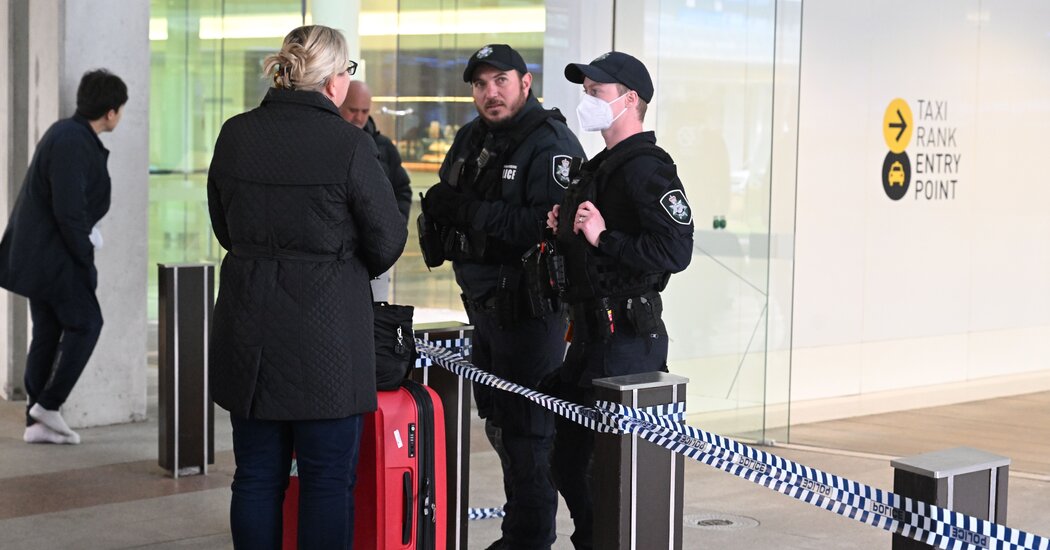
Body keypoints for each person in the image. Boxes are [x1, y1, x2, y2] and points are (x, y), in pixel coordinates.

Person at [207, 25, 406, 549]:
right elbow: (387, 240)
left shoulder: (236, 134)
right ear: (333, 80)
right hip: (328, 338)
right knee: (326, 482)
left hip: (249, 330)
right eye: (347, 71)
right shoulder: (349, 143)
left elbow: (224, 228)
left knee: (254, 477)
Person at [421, 44, 585, 550]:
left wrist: (469, 212)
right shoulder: (473, 137)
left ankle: (530, 540)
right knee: (498, 422)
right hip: (484, 305)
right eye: (480, 84)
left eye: (501, 81)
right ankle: (520, 532)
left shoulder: (551, 142)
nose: (490, 93)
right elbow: (444, 202)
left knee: (529, 430)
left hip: (530, 311)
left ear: (525, 82)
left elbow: (546, 224)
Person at [546, 51, 694, 549]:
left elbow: (675, 249)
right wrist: (566, 229)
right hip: (590, 336)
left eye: (597, 92)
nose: (587, 100)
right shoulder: (603, 165)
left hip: (627, 340)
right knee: (570, 458)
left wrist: (603, 237)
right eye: (585, 91)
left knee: (604, 470)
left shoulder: (646, 167)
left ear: (630, 100)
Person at [0, 69, 127, 446]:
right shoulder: (72, 140)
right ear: (110, 112)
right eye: (120, 109)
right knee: (87, 324)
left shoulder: (68, 134)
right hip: (55, 259)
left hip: (41, 258)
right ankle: (48, 405)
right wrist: (86, 255)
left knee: (48, 332)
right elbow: (69, 210)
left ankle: (36, 423)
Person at [340, 79, 412, 302]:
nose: (359, 117)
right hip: (339, 255)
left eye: (364, 111)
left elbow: (402, 191)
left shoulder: (383, 147)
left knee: (376, 320)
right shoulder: (329, 143)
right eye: (353, 110)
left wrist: (389, 231)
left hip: (374, 255)